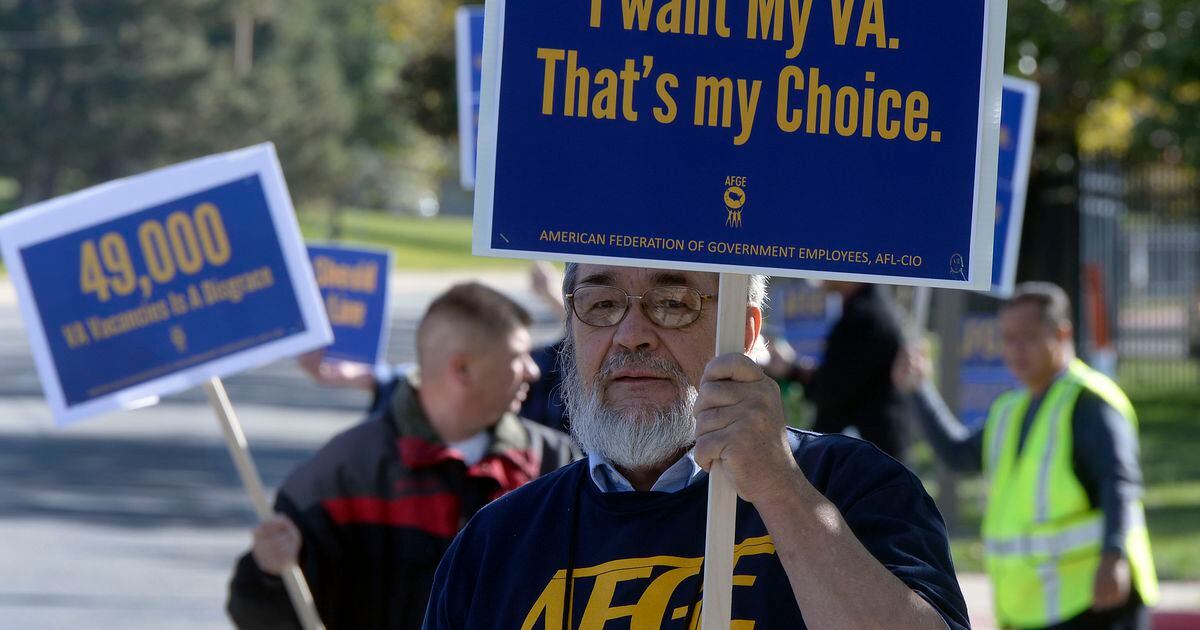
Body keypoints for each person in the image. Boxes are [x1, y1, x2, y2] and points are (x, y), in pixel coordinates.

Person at [423, 264, 970, 629]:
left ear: (748, 331)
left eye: (673, 301)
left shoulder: (853, 488)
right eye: (602, 301)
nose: (631, 332)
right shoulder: (496, 542)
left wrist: (779, 489)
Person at [227, 282, 580, 630]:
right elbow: (261, 613)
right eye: (517, 357)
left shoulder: (553, 460)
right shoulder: (345, 472)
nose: (533, 371)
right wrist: (267, 574)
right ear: (462, 369)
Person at [897, 282, 1159, 630]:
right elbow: (958, 454)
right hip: (1033, 609)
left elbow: (1120, 485)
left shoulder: (1091, 401)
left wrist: (1114, 557)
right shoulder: (1010, 409)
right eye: (1007, 338)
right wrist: (920, 389)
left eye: (1029, 337)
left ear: (1062, 333)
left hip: (1095, 604)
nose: (1016, 349)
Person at [766, 281, 909, 459]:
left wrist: (792, 370)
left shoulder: (865, 317)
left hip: (864, 463)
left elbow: (831, 389)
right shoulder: (864, 310)